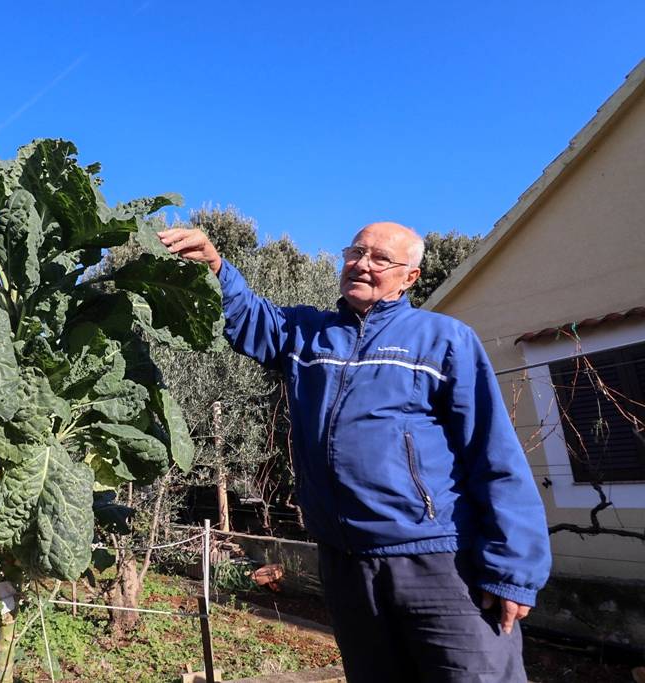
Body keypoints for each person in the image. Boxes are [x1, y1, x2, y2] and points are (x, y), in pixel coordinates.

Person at [159, 221, 551, 682]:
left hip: (439, 563)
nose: (361, 264)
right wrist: (214, 266)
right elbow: (251, 319)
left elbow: (494, 453)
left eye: (380, 258)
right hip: (346, 565)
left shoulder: (444, 340)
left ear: (411, 277)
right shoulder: (309, 335)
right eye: (355, 253)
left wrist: (513, 570)